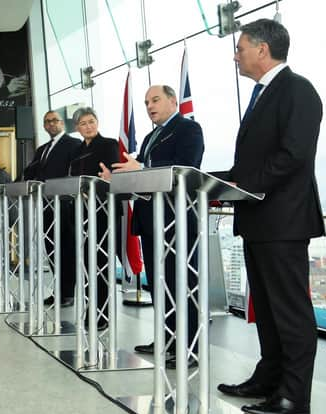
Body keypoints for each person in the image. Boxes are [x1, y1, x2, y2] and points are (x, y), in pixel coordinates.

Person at [215, 19, 323, 414]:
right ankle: (268, 378)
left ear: (263, 49)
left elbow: (294, 155)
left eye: (240, 47)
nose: (236, 55)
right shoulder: (264, 94)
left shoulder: (298, 90)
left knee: (291, 313)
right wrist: (219, 182)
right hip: (260, 220)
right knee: (270, 311)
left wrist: (243, 185)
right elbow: (253, 161)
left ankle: (295, 397)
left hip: (284, 221)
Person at [100, 85, 205, 367]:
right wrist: (119, 178)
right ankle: (167, 338)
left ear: (173, 100)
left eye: (155, 100)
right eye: (146, 102)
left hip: (175, 221)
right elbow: (142, 177)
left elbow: (185, 166)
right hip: (149, 220)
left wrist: (142, 169)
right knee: (159, 284)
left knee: (181, 283)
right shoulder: (149, 136)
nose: (149, 106)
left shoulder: (188, 130)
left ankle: (188, 348)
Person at [69, 107, 119, 331]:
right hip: (81, 211)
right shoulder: (77, 150)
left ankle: (103, 314)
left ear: (97, 122)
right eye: (83, 123)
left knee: (101, 264)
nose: (88, 126)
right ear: (77, 128)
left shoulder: (109, 145)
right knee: (87, 265)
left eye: (91, 121)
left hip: (103, 211)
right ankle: (91, 309)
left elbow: (111, 175)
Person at [24, 110, 81, 307]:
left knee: (66, 249)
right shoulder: (42, 149)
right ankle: (59, 291)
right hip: (45, 205)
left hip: (65, 205)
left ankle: (68, 294)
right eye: (47, 121)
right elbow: (30, 171)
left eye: (54, 120)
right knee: (52, 250)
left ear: (62, 123)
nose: (51, 124)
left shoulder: (74, 144)